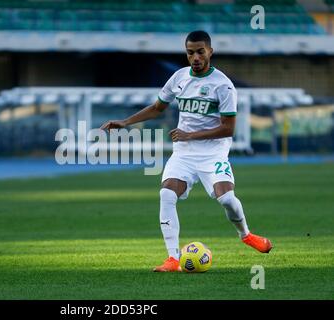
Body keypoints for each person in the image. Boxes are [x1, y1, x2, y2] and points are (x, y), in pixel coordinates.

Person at [100, 30, 272, 272]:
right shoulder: (179, 77)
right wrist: (126, 122)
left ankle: (246, 235)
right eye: (190, 52)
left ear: (210, 51)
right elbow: (158, 107)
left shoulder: (223, 85)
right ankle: (173, 259)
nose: (196, 57)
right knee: (166, 195)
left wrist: (190, 134)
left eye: (200, 52)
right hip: (184, 153)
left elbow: (228, 129)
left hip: (213, 153)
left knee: (227, 199)